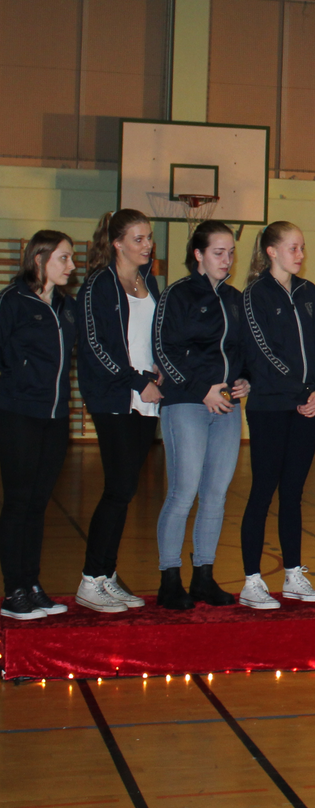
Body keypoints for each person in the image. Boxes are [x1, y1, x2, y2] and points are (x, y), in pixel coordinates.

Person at [153, 220, 249, 609]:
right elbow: (164, 349)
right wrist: (200, 389)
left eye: (231, 253)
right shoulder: (177, 294)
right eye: (218, 253)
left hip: (226, 407)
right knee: (183, 492)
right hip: (186, 403)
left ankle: (204, 577)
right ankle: (169, 579)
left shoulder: (235, 298)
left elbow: (242, 351)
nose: (226, 260)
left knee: (215, 494)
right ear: (198, 254)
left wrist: (245, 380)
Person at [238, 222, 315, 609]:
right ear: (271, 251)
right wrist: (301, 390)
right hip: (270, 408)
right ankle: (252, 581)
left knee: (293, 493)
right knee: (263, 491)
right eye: (293, 248)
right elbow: (262, 351)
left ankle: (293, 575)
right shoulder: (254, 295)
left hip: (306, 409)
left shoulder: (310, 293)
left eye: (302, 247)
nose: (300, 255)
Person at [75, 210, 161, 614]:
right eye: (139, 239)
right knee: (118, 487)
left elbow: (154, 335)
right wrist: (135, 380)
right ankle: (90, 579)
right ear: (117, 243)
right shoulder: (98, 285)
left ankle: (107, 574)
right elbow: (95, 345)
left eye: (149, 238)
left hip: (147, 397)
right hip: (114, 397)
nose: (147, 245)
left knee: (126, 490)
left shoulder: (149, 281)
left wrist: (160, 369)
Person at [0, 231, 77, 620]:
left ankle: (31, 584)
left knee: (38, 503)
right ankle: (13, 590)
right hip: (19, 415)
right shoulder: (12, 301)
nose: (72, 266)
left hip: (56, 417)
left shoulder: (66, 305)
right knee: (18, 502)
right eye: (64, 258)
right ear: (39, 259)